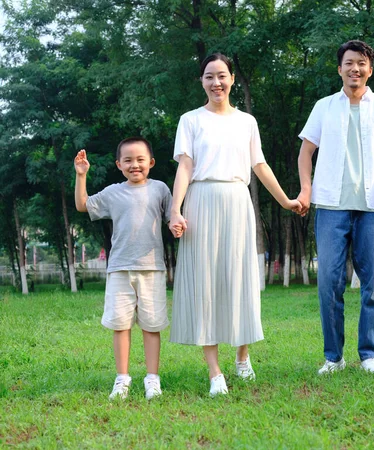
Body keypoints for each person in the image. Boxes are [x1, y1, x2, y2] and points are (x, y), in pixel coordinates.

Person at [169, 53, 301, 397]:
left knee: (240, 279)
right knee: (205, 284)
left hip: (237, 201)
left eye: (223, 75)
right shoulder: (190, 120)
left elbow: (260, 165)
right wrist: (176, 209)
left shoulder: (247, 122)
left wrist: (286, 200)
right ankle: (215, 373)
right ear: (201, 81)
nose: (217, 82)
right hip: (200, 202)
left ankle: (243, 357)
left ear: (231, 79)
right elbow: (185, 166)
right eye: (210, 76)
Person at [297, 40, 374, 376]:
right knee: (329, 281)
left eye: (361, 63)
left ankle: (370, 355)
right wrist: (306, 188)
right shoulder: (324, 107)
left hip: (372, 206)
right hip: (331, 204)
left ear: (369, 69)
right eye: (349, 63)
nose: (354, 69)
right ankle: (334, 357)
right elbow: (306, 152)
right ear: (339, 69)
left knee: (372, 282)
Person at [73, 137, 172, 400]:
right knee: (121, 325)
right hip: (119, 269)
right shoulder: (113, 192)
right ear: (119, 164)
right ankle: (122, 379)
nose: (134, 165)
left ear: (150, 162)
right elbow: (83, 205)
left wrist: (178, 224)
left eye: (140, 159)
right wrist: (81, 175)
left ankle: (152, 378)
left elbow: (172, 216)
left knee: (152, 326)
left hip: (152, 268)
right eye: (128, 160)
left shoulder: (160, 189)